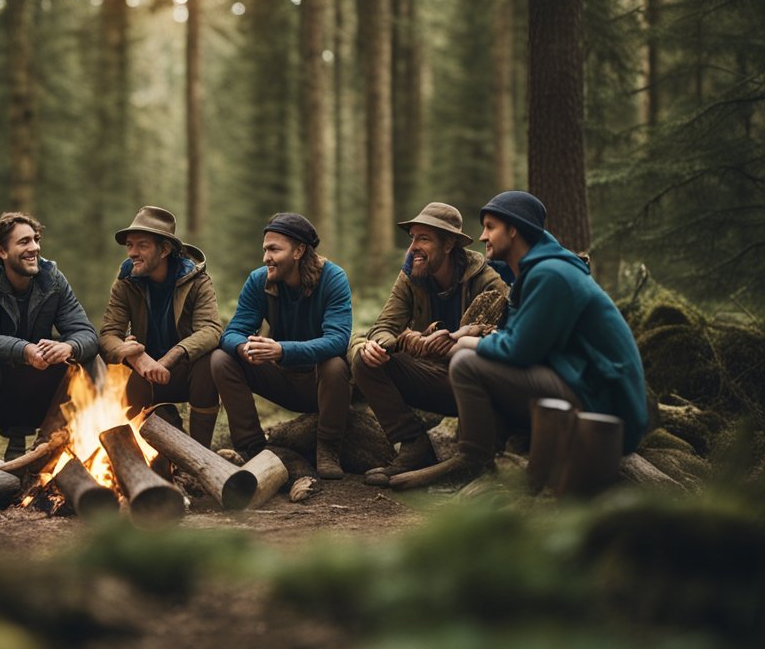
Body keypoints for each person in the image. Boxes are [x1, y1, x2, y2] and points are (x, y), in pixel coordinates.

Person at [397, 190, 649, 488]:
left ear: (514, 229)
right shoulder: (533, 275)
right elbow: (524, 340)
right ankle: (500, 457)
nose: (482, 237)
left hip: (605, 410)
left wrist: (468, 341)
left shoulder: (552, 275)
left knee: (467, 361)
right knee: (478, 362)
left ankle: (473, 460)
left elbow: (520, 350)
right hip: (581, 386)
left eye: (490, 227)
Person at [352, 202, 508, 484]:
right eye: (412, 238)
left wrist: (459, 340)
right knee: (365, 359)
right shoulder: (412, 274)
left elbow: (508, 336)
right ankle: (413, 444)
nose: (413, 248)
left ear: (448, 244)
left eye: (423, 239)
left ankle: (483, 452)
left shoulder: (486, 279)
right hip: (429, 376)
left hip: (473, 384)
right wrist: (403, 341)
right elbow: (382, 328)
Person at [210, 213, 352, 477]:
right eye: (265, 249)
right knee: (221, 359)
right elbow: (232, 332)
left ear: (299, 251)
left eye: (274, 249)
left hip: (320, 384)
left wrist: (283, 349)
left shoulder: (333, 278)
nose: (266, 257)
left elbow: (338, 339)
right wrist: (244, 348)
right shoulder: (259, 280)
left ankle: (328, 449)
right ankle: (252, 448)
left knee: (334, 365)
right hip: (280, 378)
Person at [0, 212, 99, 466]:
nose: (34, 247)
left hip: (39, 392)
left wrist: (69, 346)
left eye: (36, 239)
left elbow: (87, 334)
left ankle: (49, 446)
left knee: (87, 360)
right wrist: (24, 350)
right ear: (2, 251)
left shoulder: (53, 280)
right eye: (24, 242)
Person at [99, 206, 223, 447]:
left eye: (142, 245)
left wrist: (169, 358)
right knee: (104, 359)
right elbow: (108, 335)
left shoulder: (196, 280)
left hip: (184, 371)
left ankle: (201, 450)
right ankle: (153, 432)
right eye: (130, 245)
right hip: (145, 376)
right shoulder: (126, 281)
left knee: (213, 359)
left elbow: (210, 329)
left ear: (164, 249)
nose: (133, 252)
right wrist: (133, 355)